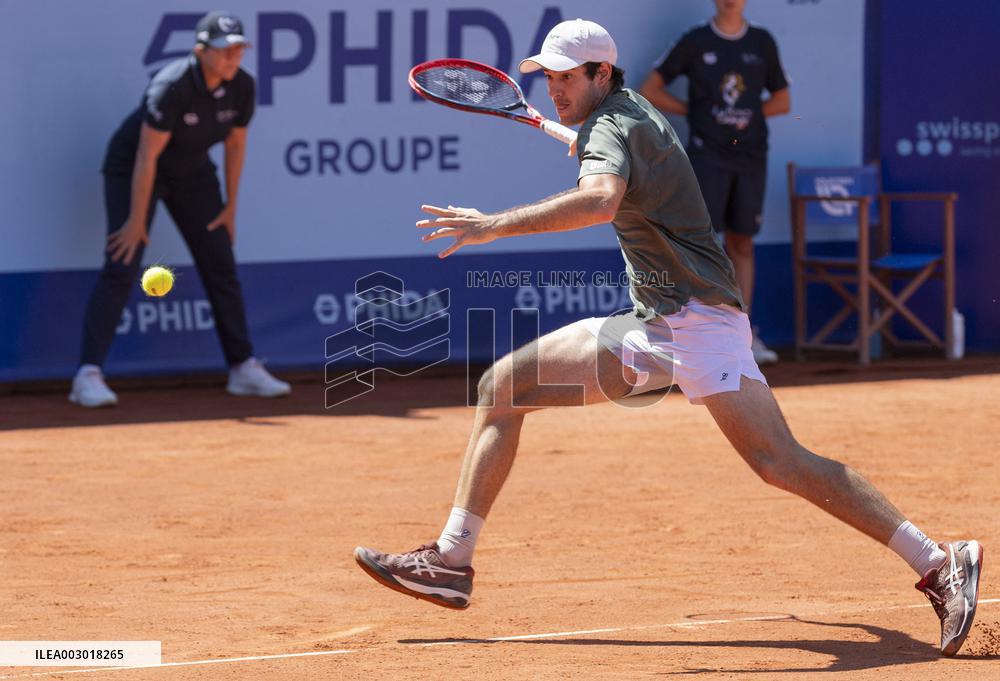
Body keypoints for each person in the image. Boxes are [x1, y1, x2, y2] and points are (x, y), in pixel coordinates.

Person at [353, 20, 983, 657]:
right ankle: (452, 561)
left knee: (780, 463)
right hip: (655, 324)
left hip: (699, 324)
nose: (553, 89)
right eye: (548, 76)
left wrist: (493, 226)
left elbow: (600, 201)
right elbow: (625, 171)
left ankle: (940, 561)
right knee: (503, 387)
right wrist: (604, 156)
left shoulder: (612, 128)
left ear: (602, 73)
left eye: (567, 77)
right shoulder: (629, 114)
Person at [70, 11, 290, 407]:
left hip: (192, 172)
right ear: (200, 51)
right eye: (224, 51)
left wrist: (230, 209)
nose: (232, 58)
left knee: (220, 262)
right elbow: (145, 157)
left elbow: (236, 145)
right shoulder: (170, 87)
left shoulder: (242, 86)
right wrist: (137, 221)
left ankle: (243, 368)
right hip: (134, 168)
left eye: (238, 50)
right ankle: (87, 374)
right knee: (122, 262)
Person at [640, 0, 789, 364]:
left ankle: (743, 335)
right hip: (708, 158)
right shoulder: (695, 41)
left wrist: (749, 119)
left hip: (750, 157)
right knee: (703, 245)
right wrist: (699, 114)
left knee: (743, 243)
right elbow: (650, 90)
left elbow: (783, 100)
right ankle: (699, 335)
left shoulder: (762, 42)